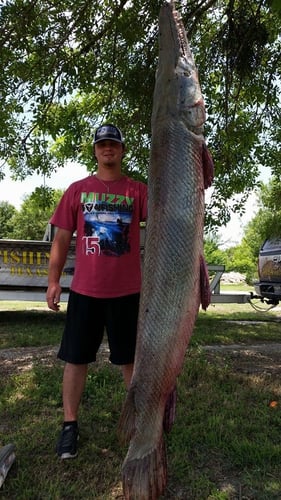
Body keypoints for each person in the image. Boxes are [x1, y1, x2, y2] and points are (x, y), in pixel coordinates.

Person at [46, 124, 147, 459]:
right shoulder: (77, 191)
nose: (108, 150)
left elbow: (167, 213)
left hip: (128, 292)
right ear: (95, 150)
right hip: (85, 292)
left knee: (130, 361)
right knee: (76, 360)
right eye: (102, 145)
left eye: (113, 145)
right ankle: (69, 427)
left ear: (122, 151)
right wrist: (53, 280)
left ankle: (139, 426)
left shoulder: (137, 191)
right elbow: (61, 240)